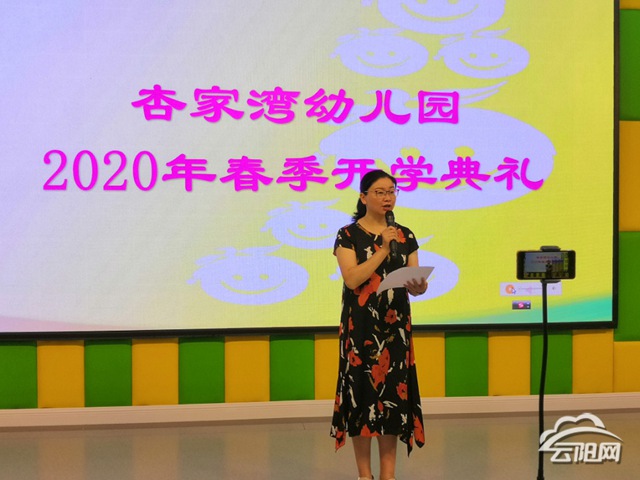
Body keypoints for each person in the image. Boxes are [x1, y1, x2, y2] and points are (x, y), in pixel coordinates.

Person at [330, 169, 427, 480]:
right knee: (360, 396)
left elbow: (415, 278)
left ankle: (388, 475)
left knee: (393, 397)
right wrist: (383, 249)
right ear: (363, 197)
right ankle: (365, 475)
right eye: (380, 192)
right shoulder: (348, 235)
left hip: (395, 326)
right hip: (360, 327)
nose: (388, 198)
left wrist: (419, 286)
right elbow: (352, 278)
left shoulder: (405, 235)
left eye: (391, 191)